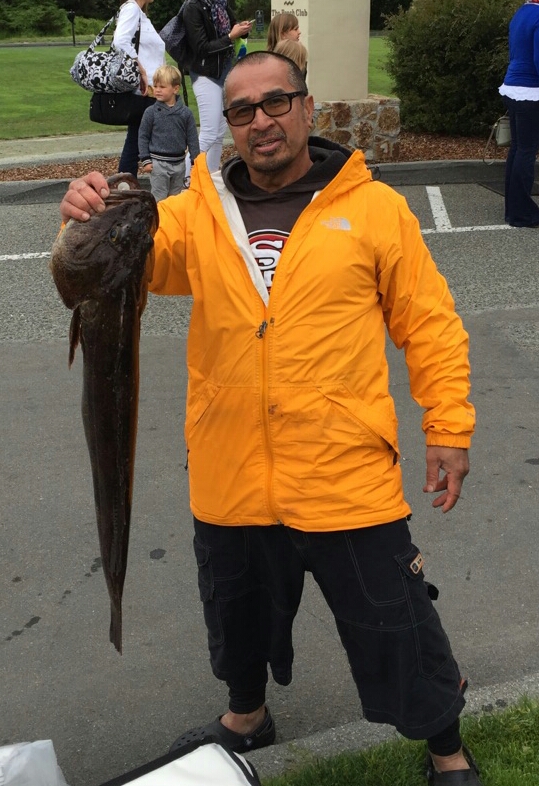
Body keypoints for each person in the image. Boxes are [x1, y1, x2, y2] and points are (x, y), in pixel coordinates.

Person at [59, 51, 481, 786]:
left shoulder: (375, 209)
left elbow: (430, 324)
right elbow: (125, 269)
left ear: (307, 108)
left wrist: (447, 426)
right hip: (231, 470)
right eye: (242, 110)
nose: (261, 121)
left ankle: (446, 749)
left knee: (396, 621)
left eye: (276, 102)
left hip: (343, 471)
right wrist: (85, 215)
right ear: (229, 124)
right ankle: (246, 717)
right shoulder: (197, 210)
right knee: (237, 616)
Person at [182, 0, 253, 172]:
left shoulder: (221, 4)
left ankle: (211, 176)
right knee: (209, 133)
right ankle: (186, 177)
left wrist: (242, 29)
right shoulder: (193, 7)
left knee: (219, 133)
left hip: (225, 73)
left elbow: (233, 26)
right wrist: (230, 37)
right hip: (205, 74)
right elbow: (201, 47)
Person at [113, 0, 165, 177]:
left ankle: (126, 182)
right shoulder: (132, 8)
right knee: (139, 139)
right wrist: (139, 67)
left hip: (150, 89)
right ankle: (126, 183)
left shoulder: (140, 14)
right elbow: (120, 41)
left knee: (137, 138)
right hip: (144, 90)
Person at [499, 0, 539, 228]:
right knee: (526, 150)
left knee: (518, 149)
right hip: (530, 91)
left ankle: (513, 209)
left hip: (513, 87)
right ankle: (522, 213)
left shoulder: (521, 13)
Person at [138, 65, 200, 201]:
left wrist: (196, 161)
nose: (157, 90)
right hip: (158, 164)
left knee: (175, 199)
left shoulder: (186, 113)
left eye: (162, 87)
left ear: (175, 89)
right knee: (159, 199)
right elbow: (143, 136)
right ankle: (158, 216)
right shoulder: (150, 112)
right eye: (155, 86)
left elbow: (192, 139)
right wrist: (145, 159)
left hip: (179, 164)